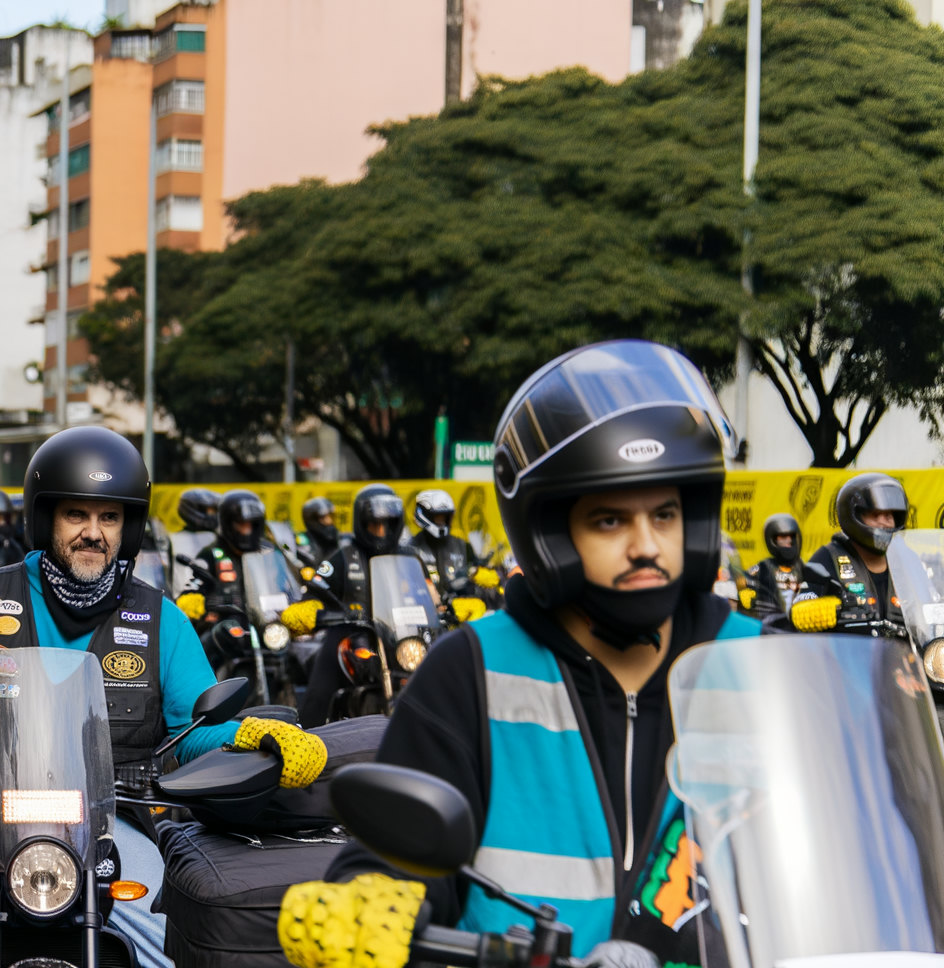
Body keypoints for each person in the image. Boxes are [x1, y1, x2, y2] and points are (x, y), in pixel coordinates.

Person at [276, 339, 759, 968]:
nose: (647, 545)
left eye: (665, 515)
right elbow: (395, 854)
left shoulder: (758, 664)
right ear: (551, 536)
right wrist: (374, 896)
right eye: (610, 521)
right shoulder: (472, 670)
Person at [0, 426, 329, 968]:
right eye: (76, 514)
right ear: (46, 518)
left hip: (112, 823)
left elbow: (198, 727)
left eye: (109, 517)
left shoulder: (161, 622)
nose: (93, 533)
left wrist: (254, 736)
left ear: (128, 527)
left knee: (174, 953)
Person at [285, 484, 419, 727]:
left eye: (387, 524)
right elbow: (314, 591)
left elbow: (431, 595)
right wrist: (310, 612)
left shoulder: (410, 557)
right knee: (319, 692)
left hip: (400, 639)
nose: (381, 530)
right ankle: (309, 734)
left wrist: (449, 609)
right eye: (374, 524)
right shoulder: (344, 556)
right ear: (361, 523)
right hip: (350, 635)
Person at [782, 472, 909, 633]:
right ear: (854, 516)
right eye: (876, 515)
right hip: (846, 648)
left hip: (902, 649)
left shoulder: (907, 561)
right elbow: (800, 609)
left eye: (889, 515)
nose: (884, 522)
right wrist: (829, 609)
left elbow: (930, 602)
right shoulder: (827, 558)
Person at [174, 488, 271, 629]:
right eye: (241, 524)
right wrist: (201, 604)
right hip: (227, 628)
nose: (247, 530)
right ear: (228, 524)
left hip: (267, 626)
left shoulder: (267, 553)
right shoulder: (211, 554)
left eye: (252, 524)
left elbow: (288, 587)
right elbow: (190, 592)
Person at [410, 488, 503, 613]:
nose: (442, 522)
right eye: (438, 517)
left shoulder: (462, 546)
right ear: (426, 515)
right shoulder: (410, 549)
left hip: (458, 613)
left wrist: (478, 574)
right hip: (424, 612)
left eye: (445, 518)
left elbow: (478, 573)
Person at [742, 512, 803, 621]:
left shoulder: (802, 567)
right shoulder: (764, 567)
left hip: (798, 625)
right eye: (783, 538)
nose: (788, 542)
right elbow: (742, 581)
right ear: (772, 540)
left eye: (790, 538)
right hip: (771, 624)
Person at [295, 496, 341, 567]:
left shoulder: (341, 540)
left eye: (331, 516)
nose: (329, 521)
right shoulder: (302, 541)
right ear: (312, 520)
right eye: (323, 518)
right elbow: (286, 547)